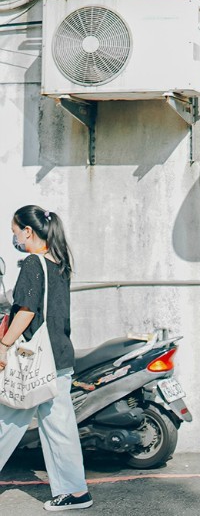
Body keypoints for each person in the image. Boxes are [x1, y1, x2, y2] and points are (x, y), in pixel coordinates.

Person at [0, 205, 92, 511]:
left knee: (6, 419)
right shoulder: (59, 264)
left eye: (15, 232)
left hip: (33, 362)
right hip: (58, 358)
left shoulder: (33, 262)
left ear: (28, 231)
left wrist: (3, 344)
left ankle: (74, 492)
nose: (15, 239)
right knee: (59, 427)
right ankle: (76, 492)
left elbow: (26, 311)